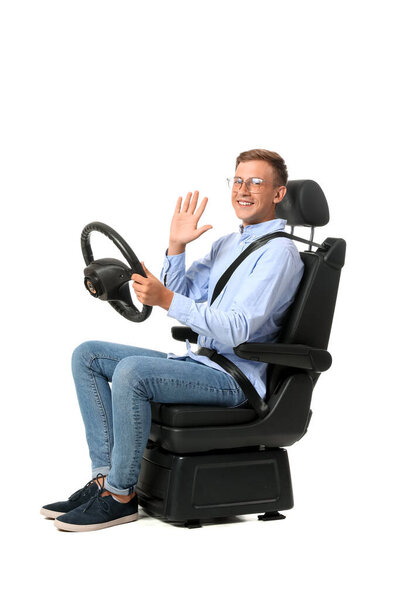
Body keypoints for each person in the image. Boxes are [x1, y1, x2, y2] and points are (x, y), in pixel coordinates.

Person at [41, 148, 304, 532]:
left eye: (257, 182)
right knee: (88, 355)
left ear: (278, 194)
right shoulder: (229, 244)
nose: (243, 190)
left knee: (133, 372)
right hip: (202, 363)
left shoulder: (280, 253)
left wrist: (167, 299)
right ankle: (103, 480)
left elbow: (237, 329)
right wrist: (177, 246)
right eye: (238, 181)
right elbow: (179, 293)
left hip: (235, 379)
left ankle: (120, 496)